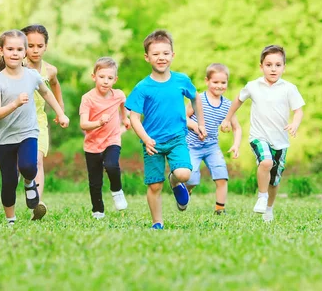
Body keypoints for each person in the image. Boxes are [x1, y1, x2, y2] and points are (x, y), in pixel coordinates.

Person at [126, 30, 207, 230]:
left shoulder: (181, 80)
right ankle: (157, 223)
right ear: (147, 57)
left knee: (184, 174)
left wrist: (201, 123)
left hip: (177, 138)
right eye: (155, 54)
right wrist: (145, 139)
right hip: (152, 143)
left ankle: (174, 181)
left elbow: (196, 97)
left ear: (172, 55)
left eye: (165, 53)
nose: (161, 57)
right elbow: (134, 117)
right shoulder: (142, 87)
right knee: (154, 185)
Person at [0, 30, 69, 226]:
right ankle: (11, 219)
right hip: (5, 137)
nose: (14, 53)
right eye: (9, 49)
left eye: (18, 49)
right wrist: (15, 104)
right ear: (1, 51)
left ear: (24, 52)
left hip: (28, 132)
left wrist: (60, 113)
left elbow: (47, 93)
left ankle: (29, 182)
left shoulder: (32, 76)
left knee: (29, 166)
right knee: (8, 182)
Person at [221, 45, 304, 223]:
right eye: (268, 65)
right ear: (261, 67)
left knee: (274, 180)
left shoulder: (289, 88)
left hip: (281, 141)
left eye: (277, 65)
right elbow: (238, 100)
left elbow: (298, 111)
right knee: (265, 161)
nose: (273, 69)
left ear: (284, 67)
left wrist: (295, 124)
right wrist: (228, 119)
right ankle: (261, 195)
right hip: (259, 136)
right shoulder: (253, 86)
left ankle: (269, 208)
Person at [185, 63, 242, 215]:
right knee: (191, 179)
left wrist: (236, 144)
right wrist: (195, 126)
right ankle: (186, 192)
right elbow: (183, 118)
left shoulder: (227, 105)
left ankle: (220, 209)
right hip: (192, 145)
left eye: (223, 82)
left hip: (211, 147)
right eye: (215, 82)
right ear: (207, 81)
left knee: (222, 176)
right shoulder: (198, 100)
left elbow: (237, 127)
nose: (219, 86)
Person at [79, 57, 131, 219]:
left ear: (115, 80)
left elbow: (124, 105)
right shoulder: (87, 98)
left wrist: (125, 118)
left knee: (112, 165)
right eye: (102, 77)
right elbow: (83, 124)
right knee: (95, 181)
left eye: (110, 78)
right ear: (94, 76)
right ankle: (98, 210)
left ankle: (117, 191)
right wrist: (98, 122)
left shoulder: (118, 95)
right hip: (92, 145)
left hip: (112, 139)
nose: (105, 81)